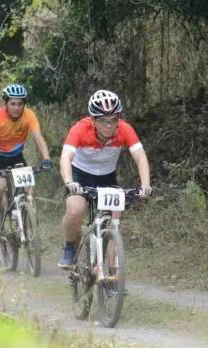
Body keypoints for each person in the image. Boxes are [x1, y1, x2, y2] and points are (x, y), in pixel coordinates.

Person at [57, 89, 151, 269]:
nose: (109, 125)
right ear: (93, 119)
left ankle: (113, 275)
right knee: (76, 210)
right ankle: (69, 246)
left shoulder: (124, 129)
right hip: (80, 176)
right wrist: (69, 182)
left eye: (113, 119)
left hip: (106, 177)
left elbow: (140, 157)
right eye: (102, 120)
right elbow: (65, 158)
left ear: (119, 118)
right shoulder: (79, 128)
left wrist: (146, 185)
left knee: (114, 222)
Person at [0, 84, 52, 233]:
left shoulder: (29, 115)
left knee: (29, 188)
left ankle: (25, 217)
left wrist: (46, 158)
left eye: (20, 104)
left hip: (17, 157)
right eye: (12, 104)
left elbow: (38, 138)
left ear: (24, 104)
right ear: (5, 103)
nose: (16, 108)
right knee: (0, 186)